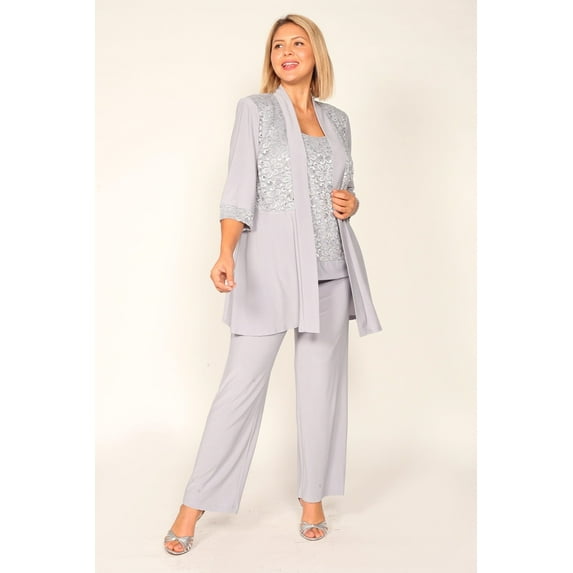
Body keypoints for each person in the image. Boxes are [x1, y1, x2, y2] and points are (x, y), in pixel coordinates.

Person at [164, 13, 381, 555]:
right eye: (278, 45)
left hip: (331, 270)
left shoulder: (338, 120)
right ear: (271, 58)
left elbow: (345, 186)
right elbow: (239, 186)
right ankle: (193, 506)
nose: (286, 52)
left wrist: (352, 202)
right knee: (240, 387)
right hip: (269, 268)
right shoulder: (255, 111)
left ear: (315, 53)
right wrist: (226, 251)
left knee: (321, 388)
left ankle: (313, 501)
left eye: (297, 43)